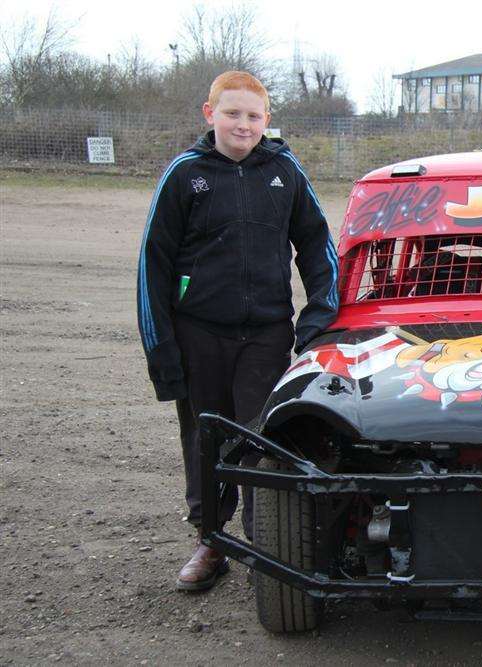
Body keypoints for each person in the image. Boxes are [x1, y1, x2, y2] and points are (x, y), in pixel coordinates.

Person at [136, 71, 339, 591]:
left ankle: (264, 547)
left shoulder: (286, 172)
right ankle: (210, 540)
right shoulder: (185, 175)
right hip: (197, 333)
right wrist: (161, 349)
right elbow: (152, 265)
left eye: (253, 115)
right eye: (232, 113)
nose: (242, 124)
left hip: (268, 334)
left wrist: (318, 316)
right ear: (210, 114)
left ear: (267, 120)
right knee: (205, 439)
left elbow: (318, 246)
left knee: (264, 438)